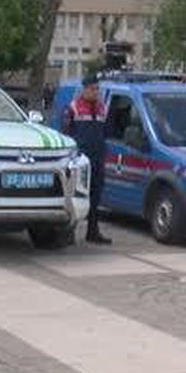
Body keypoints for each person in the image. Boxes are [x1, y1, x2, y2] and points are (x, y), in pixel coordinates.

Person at [62, 73, 112, 244]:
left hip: (97, 158)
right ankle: (69, 232)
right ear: (84, 89)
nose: (96, 92)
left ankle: (93, 231)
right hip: (80, 159)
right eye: (93, 89)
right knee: (75, 195)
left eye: (98, 89)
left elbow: (105, 133)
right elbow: (66, 135)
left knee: (95, 195)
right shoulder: (73, 107)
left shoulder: (101, 108)